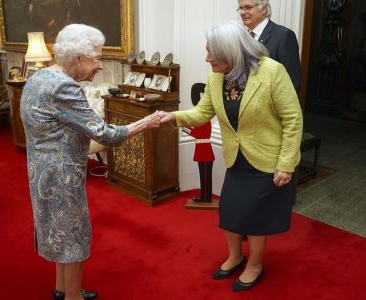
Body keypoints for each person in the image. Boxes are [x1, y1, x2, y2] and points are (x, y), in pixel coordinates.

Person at [20, 24, 163, 300]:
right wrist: (145, 122)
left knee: (59, 231)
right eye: (97, 57)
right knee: (74, 236)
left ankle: (62, 290)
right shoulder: (64, 87)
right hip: (62, 177)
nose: (100, 65)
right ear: (78, 58)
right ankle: (73, 296)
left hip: (41, 172)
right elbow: (105, 134)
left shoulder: (39, 77)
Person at [160, 21, 303, 292]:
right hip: (237, 159)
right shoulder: (217, 77)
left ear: (231, 51)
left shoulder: (272, 72)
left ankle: (255, 265)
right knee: (231, 212)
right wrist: (171, 116)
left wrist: (286, 163)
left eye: (211, 52)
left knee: (256, 217)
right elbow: (202, 113)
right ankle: (236, 256)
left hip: (267, 160)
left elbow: (293, 120)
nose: (207, 58)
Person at [238, 0, 301, 93]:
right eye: (240, 8)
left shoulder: (284, 35)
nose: (242, 12)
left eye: (248, 7)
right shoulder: (242, 36)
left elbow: (291, 81)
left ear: (264, 9)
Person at [181, 83, 215, 203]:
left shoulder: (203, 119)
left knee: (205, 176)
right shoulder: (203, 118)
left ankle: (206, 197)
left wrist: (184, 127)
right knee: (204, 176)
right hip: (203, 149)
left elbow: (197, 134)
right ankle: (205, 196)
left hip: (204, 150)